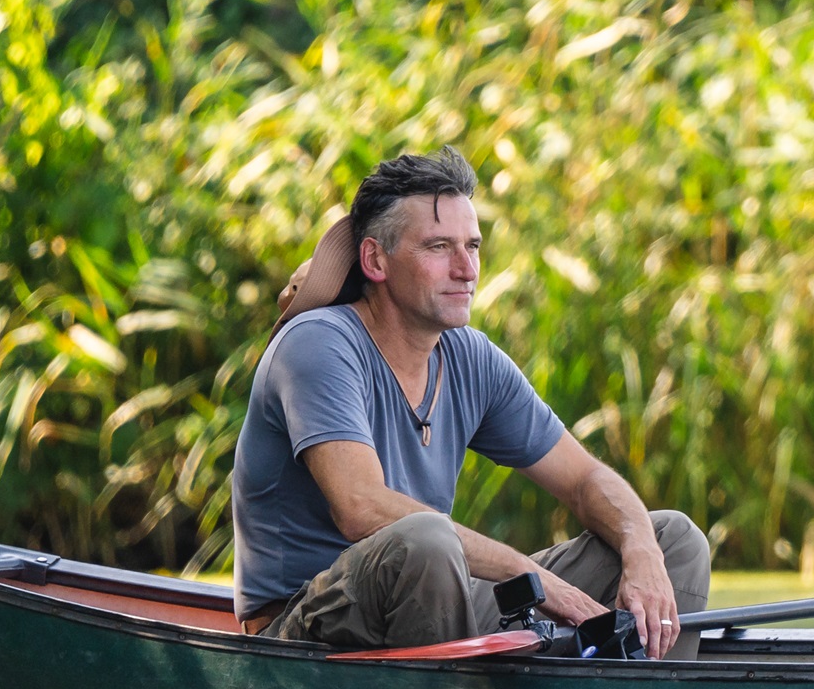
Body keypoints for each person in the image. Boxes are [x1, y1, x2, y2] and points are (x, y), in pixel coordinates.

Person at [232, 148, 711, 653]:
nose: (466, 269)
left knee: (672, 539)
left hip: (436, 592)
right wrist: (529, 575)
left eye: (473, 246)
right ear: (376, 259)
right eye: (439, 247)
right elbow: (360, 506)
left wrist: (641, 552)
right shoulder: (319, 342)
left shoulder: (470, 356)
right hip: (304, 622)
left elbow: (584, 479)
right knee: (426, 541)